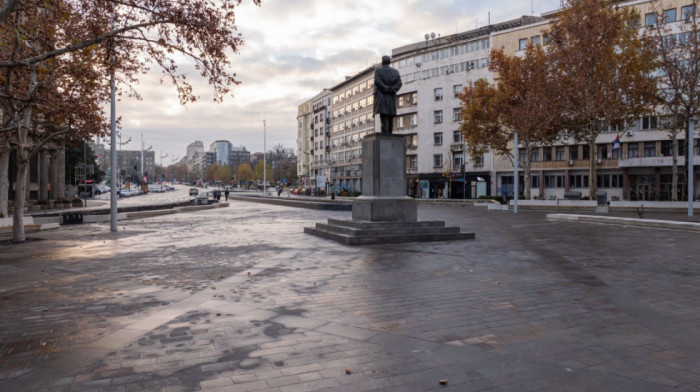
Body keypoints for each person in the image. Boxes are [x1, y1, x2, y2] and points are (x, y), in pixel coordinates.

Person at [373, 55, 402, 134]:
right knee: (390, 118)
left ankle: (385, 137)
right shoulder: (395, 72)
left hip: (382, 98)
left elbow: (377, 81)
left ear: (382, 61)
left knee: (384, 119)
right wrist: (392, 89)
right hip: (391, 98)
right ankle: (389, 135)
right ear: (390, 62)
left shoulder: (378, 71)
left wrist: (385, 88)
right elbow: (399, 83)